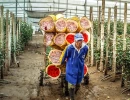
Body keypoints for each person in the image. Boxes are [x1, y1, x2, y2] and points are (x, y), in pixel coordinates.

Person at [60, 33, 88, 100]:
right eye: (78, 40)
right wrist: (62, 63)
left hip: (80, 69)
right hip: (71, 69)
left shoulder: (85, 48)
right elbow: (65, 57)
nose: (79, 42)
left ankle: (74, 92)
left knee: (78, 85)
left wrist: (81, 62)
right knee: (71, 85)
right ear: (75, 41)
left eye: (81, 40)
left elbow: (84, 56)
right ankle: (72, 98)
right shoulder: (70, 48)